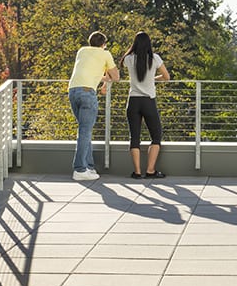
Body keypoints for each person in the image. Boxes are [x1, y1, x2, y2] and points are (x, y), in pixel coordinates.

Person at [67, 31, 120, 181]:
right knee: (85, 131)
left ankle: (89, 167)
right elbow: (116, 77)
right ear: (103, 44)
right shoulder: (105, 54)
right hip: (87, 92)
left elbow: (90, 71)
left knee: (85, 130)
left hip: (73, 91)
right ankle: (79, 169)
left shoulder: (82, 51)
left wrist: (102, 77)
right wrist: (107, 77)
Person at [122, 31, 171, 179]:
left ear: (135, 43)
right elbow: (167, 77)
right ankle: (150, 170)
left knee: (134, 137)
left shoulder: (128, 59)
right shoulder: (155, 58)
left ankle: (137, 172)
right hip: (148, 101)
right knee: (156, 136)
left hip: (133, 101)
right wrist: (152, 78)